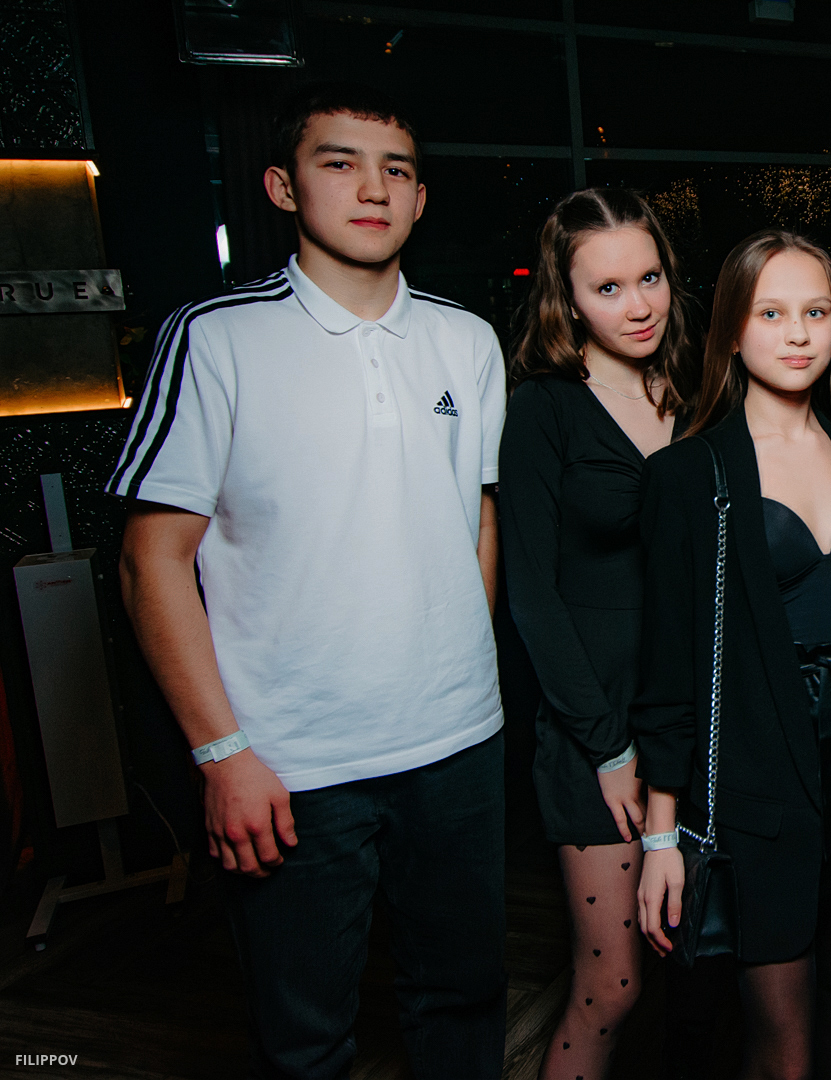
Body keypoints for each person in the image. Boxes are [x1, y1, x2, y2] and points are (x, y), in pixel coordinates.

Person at [110, 84, 508, 1078]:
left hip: (458, 746)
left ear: (420, 199)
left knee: (462, 1003)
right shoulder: (215, 338)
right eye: (340, 163)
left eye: (396, 170)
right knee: (305, 1039)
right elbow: (151, 558)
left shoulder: (467, 339)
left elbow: (476, 518)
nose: (373, 188)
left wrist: (465, 672)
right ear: (283, 187)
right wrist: (222, 754)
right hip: (291, 764)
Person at [634, 230, 831, 1080]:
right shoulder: (688, 474)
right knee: (785, 1043)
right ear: (732, 332)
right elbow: (667, 668)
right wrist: (661, 836)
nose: (799, 333)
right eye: (771, 314)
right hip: (759, 768)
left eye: (816, 312)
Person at [499, 187, 700, 1080]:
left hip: (691, 713)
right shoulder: (544, 409)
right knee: (612, 984)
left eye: (649, 278)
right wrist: (608, 749)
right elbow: (532, 599)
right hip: (597, 725)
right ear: (567, 298)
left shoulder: (698, 392)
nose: (639, 305)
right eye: (608, 288)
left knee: (695, 971)